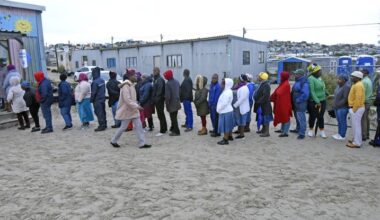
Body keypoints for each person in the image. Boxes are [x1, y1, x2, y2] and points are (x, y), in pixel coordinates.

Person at [110, 70, 151, 149]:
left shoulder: (131, 85)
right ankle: (114, 140)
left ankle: (142, 143)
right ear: (130, 76)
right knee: (123, 127)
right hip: (128, 110)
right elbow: (127, 100)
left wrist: (136, 105)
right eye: (134, 75)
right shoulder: (126, 86)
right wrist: (137, 106)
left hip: (133, 110)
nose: (136, 77)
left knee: (139, 126)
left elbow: (131, 99)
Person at [307, 64, 327, 138]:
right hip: (314, 101)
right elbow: (312, 91)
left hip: (323, 100)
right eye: (319, 71)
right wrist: (317, 101)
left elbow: (323, 88)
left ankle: (322, 131)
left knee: (321, 116)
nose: (321, 72)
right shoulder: (311, 79)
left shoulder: (320, 78)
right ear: (315, 72)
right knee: (313, 116)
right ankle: (311, 130)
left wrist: (326, 93)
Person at [347, 71, 365, 148]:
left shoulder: (358, 85)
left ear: (358, 78)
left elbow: (358, 98)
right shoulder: (357, 84)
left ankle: (357, 143)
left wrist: (354, 109)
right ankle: (355, 140)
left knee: (356, 126)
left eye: (353, 76)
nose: (351, 78)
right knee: (354, 126)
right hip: (356, 108)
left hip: (357, 108)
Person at [271, 71, 292, 137]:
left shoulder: (286, 84)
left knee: (286, 116)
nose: (280, 77)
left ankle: (285, 132)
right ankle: (282, 130)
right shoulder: (283, 83)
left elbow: (278, 92)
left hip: (285, 103)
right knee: (283, 116)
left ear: (284, 77)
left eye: (281, 76)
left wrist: (275, 94)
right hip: (282, 103)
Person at [291, 69, 310, 139]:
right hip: (296, 103)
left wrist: (298, 100)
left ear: (300, 75)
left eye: (296, 74)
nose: (295, 75)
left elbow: (305, 94)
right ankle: (297, 129)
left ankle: (302, 133)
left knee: (301, 118)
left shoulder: (304, 82)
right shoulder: (298, 81)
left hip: (300, 103)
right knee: (297, 117)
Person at [254, 72, 273, 137]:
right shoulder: (262, 84)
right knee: (261, 117)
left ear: (262, 78)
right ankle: (263, 130)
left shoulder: (266, 85)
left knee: (266, 118)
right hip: (261, 104)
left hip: (265, 105)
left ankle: (267, 132)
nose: (258, 77)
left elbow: (265, 96)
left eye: (259, 76)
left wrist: (259, 101)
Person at [216, 78, 235, 145]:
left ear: (225, 84)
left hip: (225, 111)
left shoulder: (227, 92)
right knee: (229, 125)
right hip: (228, 110)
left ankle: (225, 139)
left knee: (225, 126)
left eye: (222, 83)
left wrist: (219, 109)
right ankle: (230, 136)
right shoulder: (228, 90)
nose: (221, 84)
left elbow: (224, 103)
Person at [332, 75, 350, 141]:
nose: (338, 80)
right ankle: (339, 134)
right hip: (336, 107)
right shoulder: (338, 86)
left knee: (342, 121)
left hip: (342, 108)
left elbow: (345, 99)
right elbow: (336, 95)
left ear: (344, 80)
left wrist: (338, 105)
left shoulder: (346, 87)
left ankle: (342, 135)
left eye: (340, 79)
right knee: (339, 121)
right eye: (338, 79)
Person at [164, 70, 181, 136]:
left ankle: (176, 131)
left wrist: (166, 102)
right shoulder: (177, 81)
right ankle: (173, 128)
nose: (165, 77)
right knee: (174, 116)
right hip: (176, 102)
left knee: (173, 118)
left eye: (165, 76)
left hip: (171, 103)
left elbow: (167, 95)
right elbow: (179, 91)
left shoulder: (168, 84)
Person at [233, 74, 250, 139]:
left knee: (242, 121)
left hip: (243, 107)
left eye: (238, 78)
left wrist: (234, 105)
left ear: (241, 80)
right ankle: (239, 131)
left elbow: (242, 99)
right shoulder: (240, 86)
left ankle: (242, 134)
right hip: (241, 107)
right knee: (240, 120)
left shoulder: (244, 88)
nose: (237, 79)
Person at [152, 67, 167, 136]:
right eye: (153, 70)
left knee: (161, 115)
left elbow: (159, 91)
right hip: (158, 100)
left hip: (159, 100)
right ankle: (164, 128)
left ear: (158, 71)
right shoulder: (156, 79)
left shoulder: (160, 79)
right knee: (160, 115)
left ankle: (163, 130)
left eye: (155, 71)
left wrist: (156, 99)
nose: (154, 72)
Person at [91, 67, 107, 131]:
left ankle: (101, 126)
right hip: (102, 99)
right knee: (103, 112)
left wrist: (91, 100)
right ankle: (104, 124)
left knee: (99, 113)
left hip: (97, 100)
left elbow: (93, 93)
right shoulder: (102, 80)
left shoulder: (94, 82)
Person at [361, 69, 373, 141]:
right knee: (366, 119)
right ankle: (367, 134)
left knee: (363, 119)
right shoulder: (369, 80)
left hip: (365, 102)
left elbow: (362, 93)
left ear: (365, 73)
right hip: (368, 101)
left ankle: (364, 135)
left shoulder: (364, 81)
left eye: (361, 72)